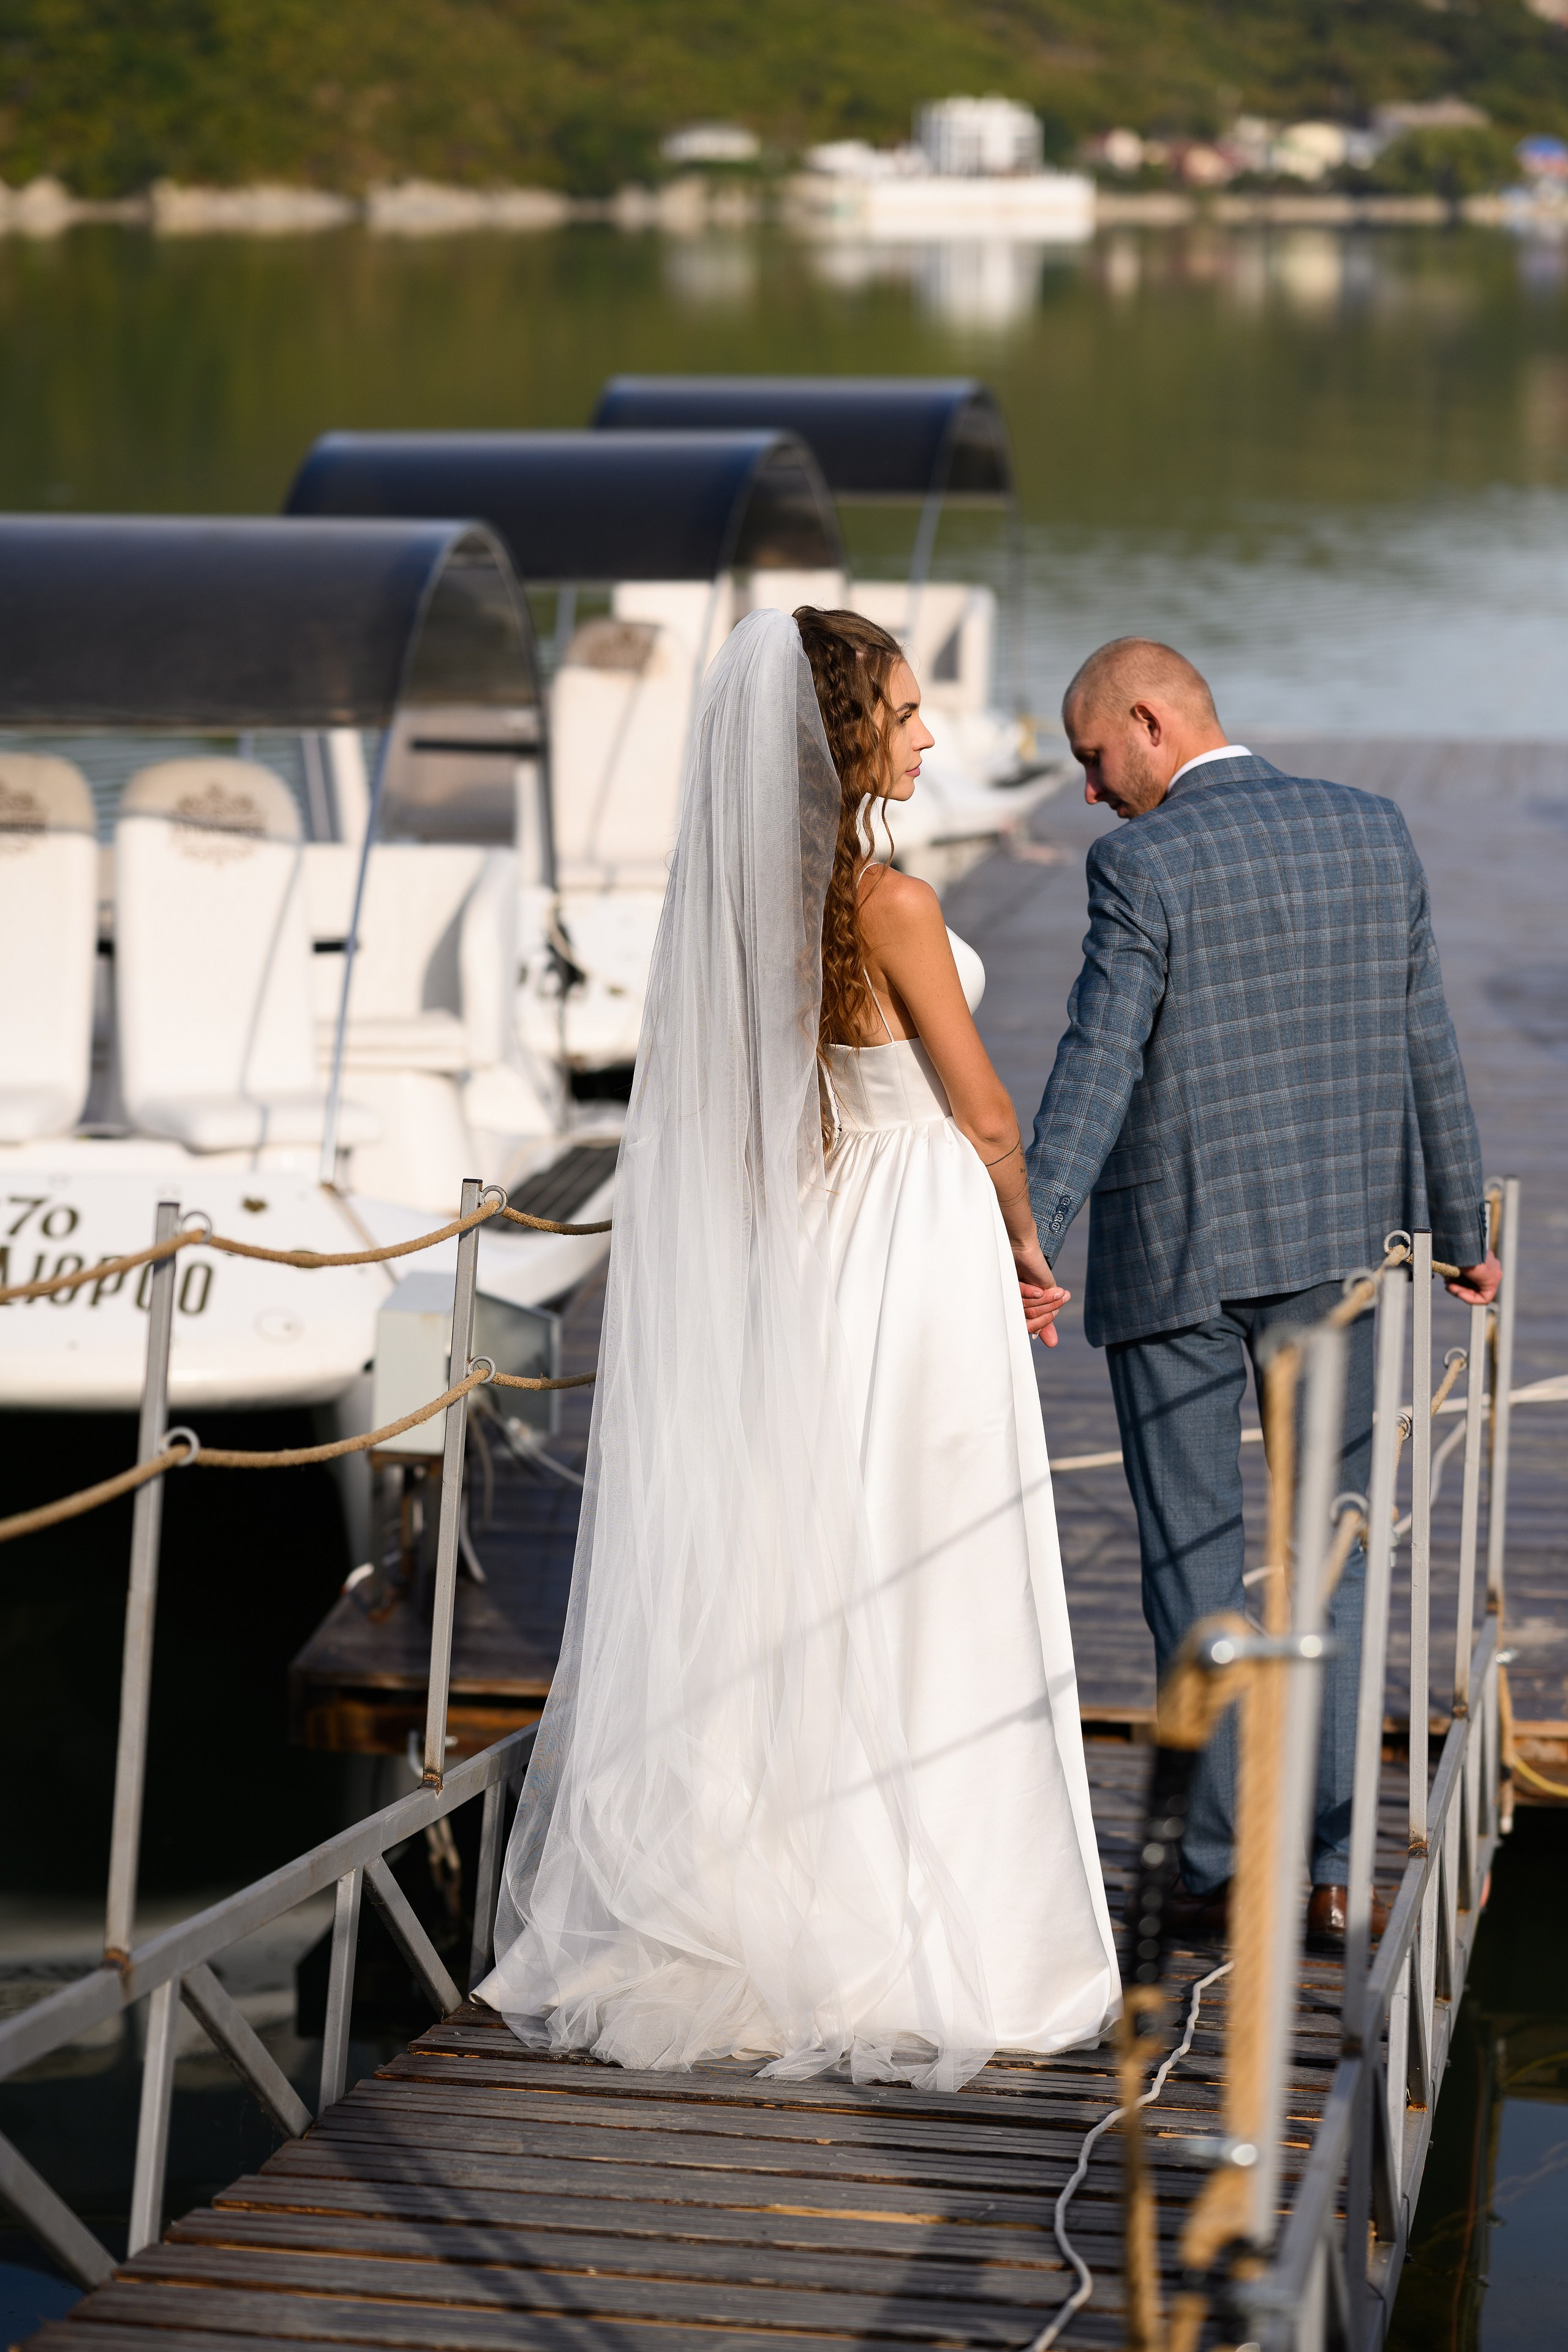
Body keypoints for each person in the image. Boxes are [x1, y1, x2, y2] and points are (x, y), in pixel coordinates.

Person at [476, 605, 1118, 2087]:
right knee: (935, 1554)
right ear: (845, 740)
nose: (929, 733)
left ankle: (777, 1880)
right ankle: (931, 1918)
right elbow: (988, 1118)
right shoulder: (886, 900)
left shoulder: (756, 897)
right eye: (902, 714)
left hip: (828, 1249)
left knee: (818, 1557)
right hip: (922, 1243)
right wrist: (1024, 1235)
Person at [1024, 637, 1499, 1949]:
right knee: (1333, 1562)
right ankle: (1335, 1864)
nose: (1087, 790)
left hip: (1170, 1253)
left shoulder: (1139, 862)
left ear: (1146, 719)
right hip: (1339, 1255)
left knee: (1192, 1567)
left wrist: (1032, 1234)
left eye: (1089, 758)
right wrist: (1460, 1227)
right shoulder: (1369, 828)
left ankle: (1223, 1868)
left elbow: (1096, 1058)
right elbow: (1424, 1041)